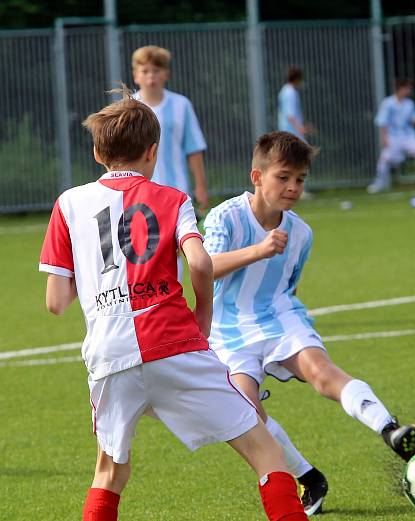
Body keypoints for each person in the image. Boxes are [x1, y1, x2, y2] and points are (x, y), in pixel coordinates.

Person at [38, 89, 307, 521]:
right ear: (153, 151)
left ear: (95, 151)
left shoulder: (68, 204)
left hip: (110, 355)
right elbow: (199, 261)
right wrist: (203, 315)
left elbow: (56, 302)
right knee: (264, 449)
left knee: (109, 473)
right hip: (175, 344)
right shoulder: (173, 198)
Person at [203, 132, 415, 475]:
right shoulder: (225, 216)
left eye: (300, 179)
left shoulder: (301, 234)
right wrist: (259, 250)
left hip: (278, 317)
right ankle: (308, 476)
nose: (293, 186)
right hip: (228, 330)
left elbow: (287, 287)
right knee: (246, 413)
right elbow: (205, 269)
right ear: (257, 177)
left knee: (322, 373)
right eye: (283, 177)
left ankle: (390, 429)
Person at [132, 45, 209, 211]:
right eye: (145, 71)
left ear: (166, 73)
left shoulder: (182, 105)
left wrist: (200, 186)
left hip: (175, 189)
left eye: (156, 70)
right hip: (138, 191)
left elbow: (193, 148)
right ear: (136, 75)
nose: (151, 76)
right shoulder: (128, 107)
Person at [368, 78, 415, 193]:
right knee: (385, 159)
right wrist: (384, 137)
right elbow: (382, 121)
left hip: (408, 135)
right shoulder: (388, 103)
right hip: (393, 136)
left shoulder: (409, 104)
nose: (409, 91)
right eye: (407, 88)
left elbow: (413, 121)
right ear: (400, 88)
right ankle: (379, 183)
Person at [277, 66, 312, 141]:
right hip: (292, 133)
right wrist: (300, 128)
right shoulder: (290, 93)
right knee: (305, 151)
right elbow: (290, 115)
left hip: (286, 131)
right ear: (297, 79)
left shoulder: (284, 90)